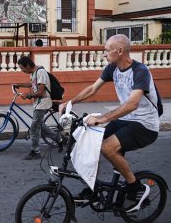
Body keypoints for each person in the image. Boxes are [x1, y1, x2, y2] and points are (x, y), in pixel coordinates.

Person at [59, 34, 159, 212]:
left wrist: (102, 118)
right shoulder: (112, 68)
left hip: (145, 124)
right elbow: (92, 88)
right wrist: (70, 102)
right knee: (93, 144)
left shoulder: (140, 71)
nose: (104, 53)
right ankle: (93, 190)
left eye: (107, 50)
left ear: (120, 51)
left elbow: (132, 103)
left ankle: (136, 188)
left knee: (107, 147)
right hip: (126, 120)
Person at [13, 56, 64, 160]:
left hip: (43, 103)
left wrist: (27, 96)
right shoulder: (33, 73)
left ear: (28, 65)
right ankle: (61, 139)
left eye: (23, 68)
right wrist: (18, 85)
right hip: (38, 103)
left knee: (34, 128)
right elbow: (31, 84)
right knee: (40, 125)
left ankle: (35, 151)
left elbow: (41, 92)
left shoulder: (41, 72)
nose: (22, 71)